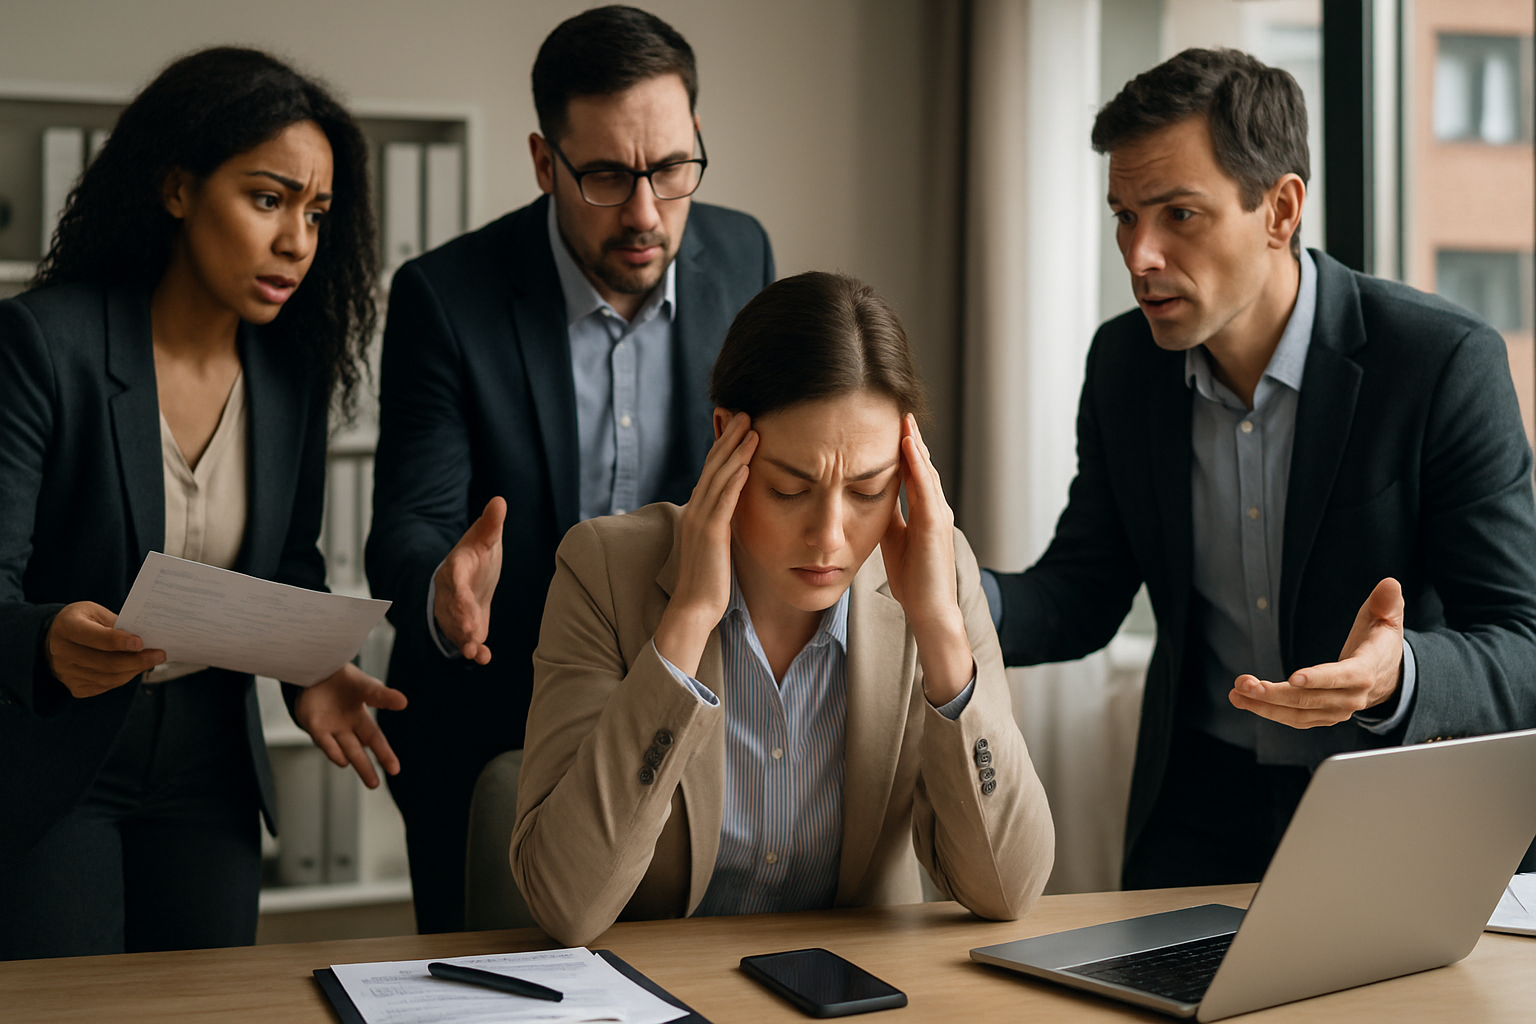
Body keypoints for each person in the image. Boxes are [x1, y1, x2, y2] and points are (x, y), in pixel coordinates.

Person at [981, 47, 1536, 888]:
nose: (1139, 255)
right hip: (1196, 809)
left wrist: (1399, 676)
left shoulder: (1440, 363)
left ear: (1280, 209)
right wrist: (954, 595)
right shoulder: (1125, 364)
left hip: (1389, 801)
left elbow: (1522, 644)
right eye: (1125, 216)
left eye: (1179, 214)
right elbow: (1084, 591)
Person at [366, 5, 774, 933]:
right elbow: (407, 523)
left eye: (671, 169)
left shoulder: (742, 253)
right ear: (544, 162)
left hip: (692, 711)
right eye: (606, 177)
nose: (645, 214)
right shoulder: (444, 296)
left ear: (697, 136)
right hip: (491, 719)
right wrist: (443, 592)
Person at [0, 47, 406, 960]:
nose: (298, 240)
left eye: (316, 213)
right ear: (178, 188)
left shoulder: (291, 373)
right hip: (59, 752)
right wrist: (47, 636)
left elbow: (289, 562)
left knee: (205, 1004)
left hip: (210, 759)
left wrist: (311, 668)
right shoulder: (43, 345)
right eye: (268, 199)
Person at [510, 272, 1054, 947]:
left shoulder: (937, 574)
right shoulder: (603, 571)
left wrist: (941, 631)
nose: (829, 536)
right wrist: (686, 623)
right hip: (659, 989)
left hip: (856, 988)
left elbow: (1008, 889)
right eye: (790, 489)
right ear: (725, 440)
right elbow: (564, 904)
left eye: (867, 491)